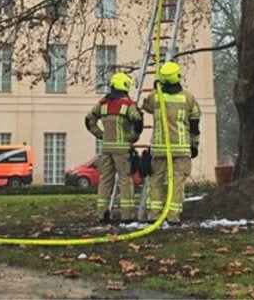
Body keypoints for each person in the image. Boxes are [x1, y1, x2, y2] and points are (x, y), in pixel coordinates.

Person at [141, 61, 201, 224]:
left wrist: (155, 88)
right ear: (178, 77)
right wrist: (194, 145)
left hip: (160, 149)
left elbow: (145, 106)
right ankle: (173, 217)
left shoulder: (156, 96)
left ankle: (154, 215)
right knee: (177, 183)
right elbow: (195, 123)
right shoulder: (188, 98)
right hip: (181, 149)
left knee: (156, 181)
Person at [84, 72, 143, 222]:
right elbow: (138, 121)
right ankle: (127, 215)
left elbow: (89, 120)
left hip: (106, 149)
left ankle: (102, 213)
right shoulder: (127, 105)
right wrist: (132, 138)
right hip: (122, 150)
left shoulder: (102, 103)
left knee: (105, 180)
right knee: (125, 180)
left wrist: (100, 134)